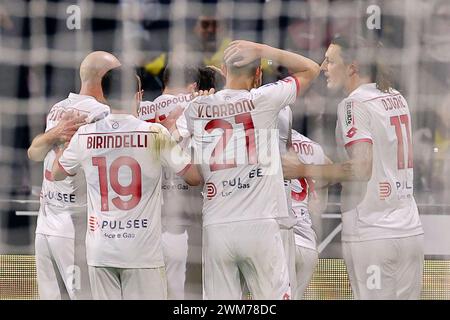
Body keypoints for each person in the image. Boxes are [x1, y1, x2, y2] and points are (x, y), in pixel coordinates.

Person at [282, 35, 424, 299]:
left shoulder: (352, 104)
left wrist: (303, 171)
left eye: (331, 61)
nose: (323, 67)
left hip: (372, 234)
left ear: (353, 67)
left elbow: (361, 168)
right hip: (410, 231)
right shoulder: (397, 97)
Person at [183, 40, 319, 299]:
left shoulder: (195, 108)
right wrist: (262, 51)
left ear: (224, 69)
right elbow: (311, 68)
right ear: (258, 74)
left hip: (217, 225)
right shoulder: (265, 98)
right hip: (262, 223)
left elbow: (186, 161)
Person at [51, 67, 202, 300]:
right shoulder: (155, 133)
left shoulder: (85, 135)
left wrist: (63, 141)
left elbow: (56, 173)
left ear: (103, 97)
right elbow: (193, 178)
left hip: (100, 251)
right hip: (142, 252)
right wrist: (179, 131)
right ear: (138, 96)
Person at [27, 51, 120, 300]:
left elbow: (33, 153)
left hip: (46, 225)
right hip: (76, 229)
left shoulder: (58, 108)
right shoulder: (102, 113)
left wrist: (52, 134)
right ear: (105, 78)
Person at [136, 64, 222, 299]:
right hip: (189, 223)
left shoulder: (141, 109)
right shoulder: (197, 104)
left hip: (146, 224)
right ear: (194, 85)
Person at [289, 129, 330, 299]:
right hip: (307, 243)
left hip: (279, 238)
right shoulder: (314, 147)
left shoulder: (262, 140)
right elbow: (329, 171)